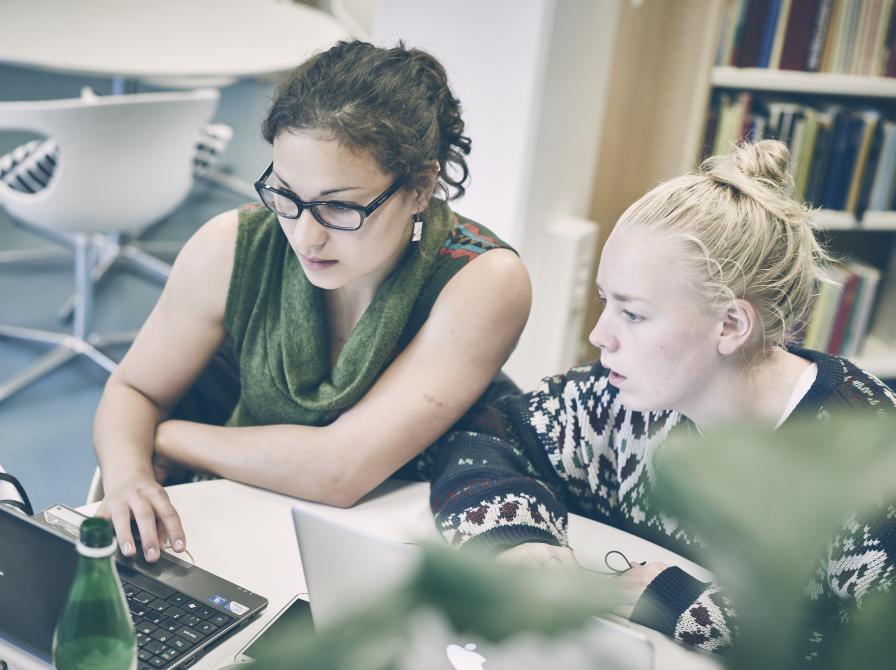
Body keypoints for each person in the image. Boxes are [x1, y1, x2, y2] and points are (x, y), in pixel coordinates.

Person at [429, 140, 896, 658]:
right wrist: (515, 542)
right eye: (607, 303)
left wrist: (693, 612)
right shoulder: (618, 399)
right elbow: (484, 435)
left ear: (731, 324)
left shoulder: (873, 468)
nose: (599, 335)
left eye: (633, 314)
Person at [93, 41, 531, 563]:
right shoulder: (231, 245)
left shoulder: (483, 280)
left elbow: (337, 472)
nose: (304, 237)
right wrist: (128, 478)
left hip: (378, 547)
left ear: (420, 187)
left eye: (339, 207)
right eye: (286, 195)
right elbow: (133, 388)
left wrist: (167, 437)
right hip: (231, 510)